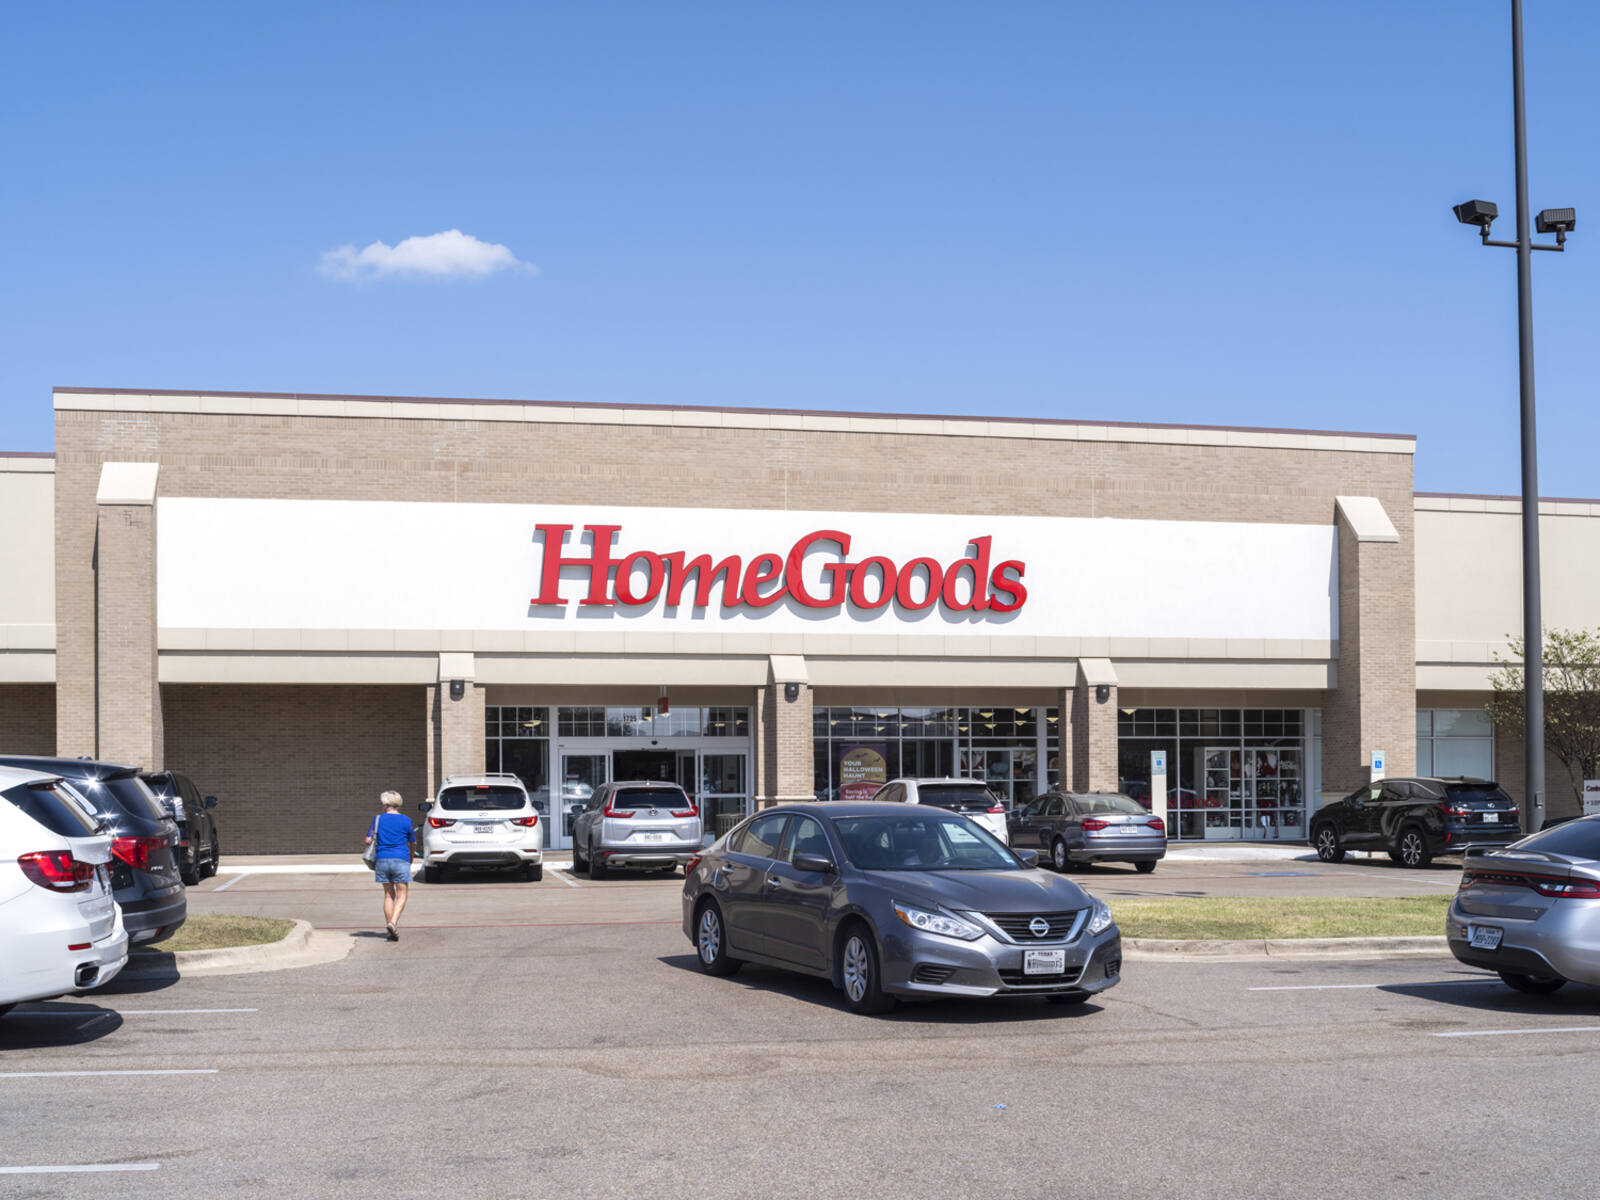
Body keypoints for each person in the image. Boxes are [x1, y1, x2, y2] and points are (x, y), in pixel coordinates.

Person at [365, 790, 415, 941]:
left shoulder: (378, 819)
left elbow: (368, 840)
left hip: (382, 859)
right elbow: (413, 842)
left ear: (386, 804)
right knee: (402, 894)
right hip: (401, 859)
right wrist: (411, 857)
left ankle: (389, 928)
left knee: (388, 895)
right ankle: (393, 923)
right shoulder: (406, 820)